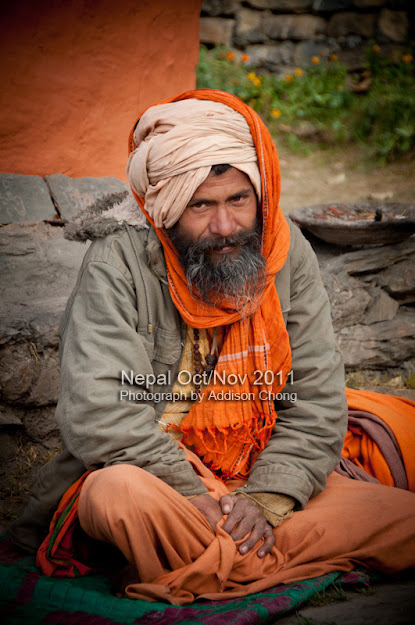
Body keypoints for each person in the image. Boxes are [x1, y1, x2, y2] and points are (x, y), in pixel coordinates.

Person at [9, 90, 415, 605]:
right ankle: (255, 558)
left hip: (256, 471)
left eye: (238, 200)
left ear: (260, 195)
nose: (225, 228)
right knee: (117, 494)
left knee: (403, 519)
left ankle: (217, 563)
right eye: (201, 205)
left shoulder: (284, 252)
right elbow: (101, 414)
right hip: (163, 482)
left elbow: (314, 400)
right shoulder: (120, 262)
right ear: (168, 208)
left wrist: (267, 498)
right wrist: (194, 494)